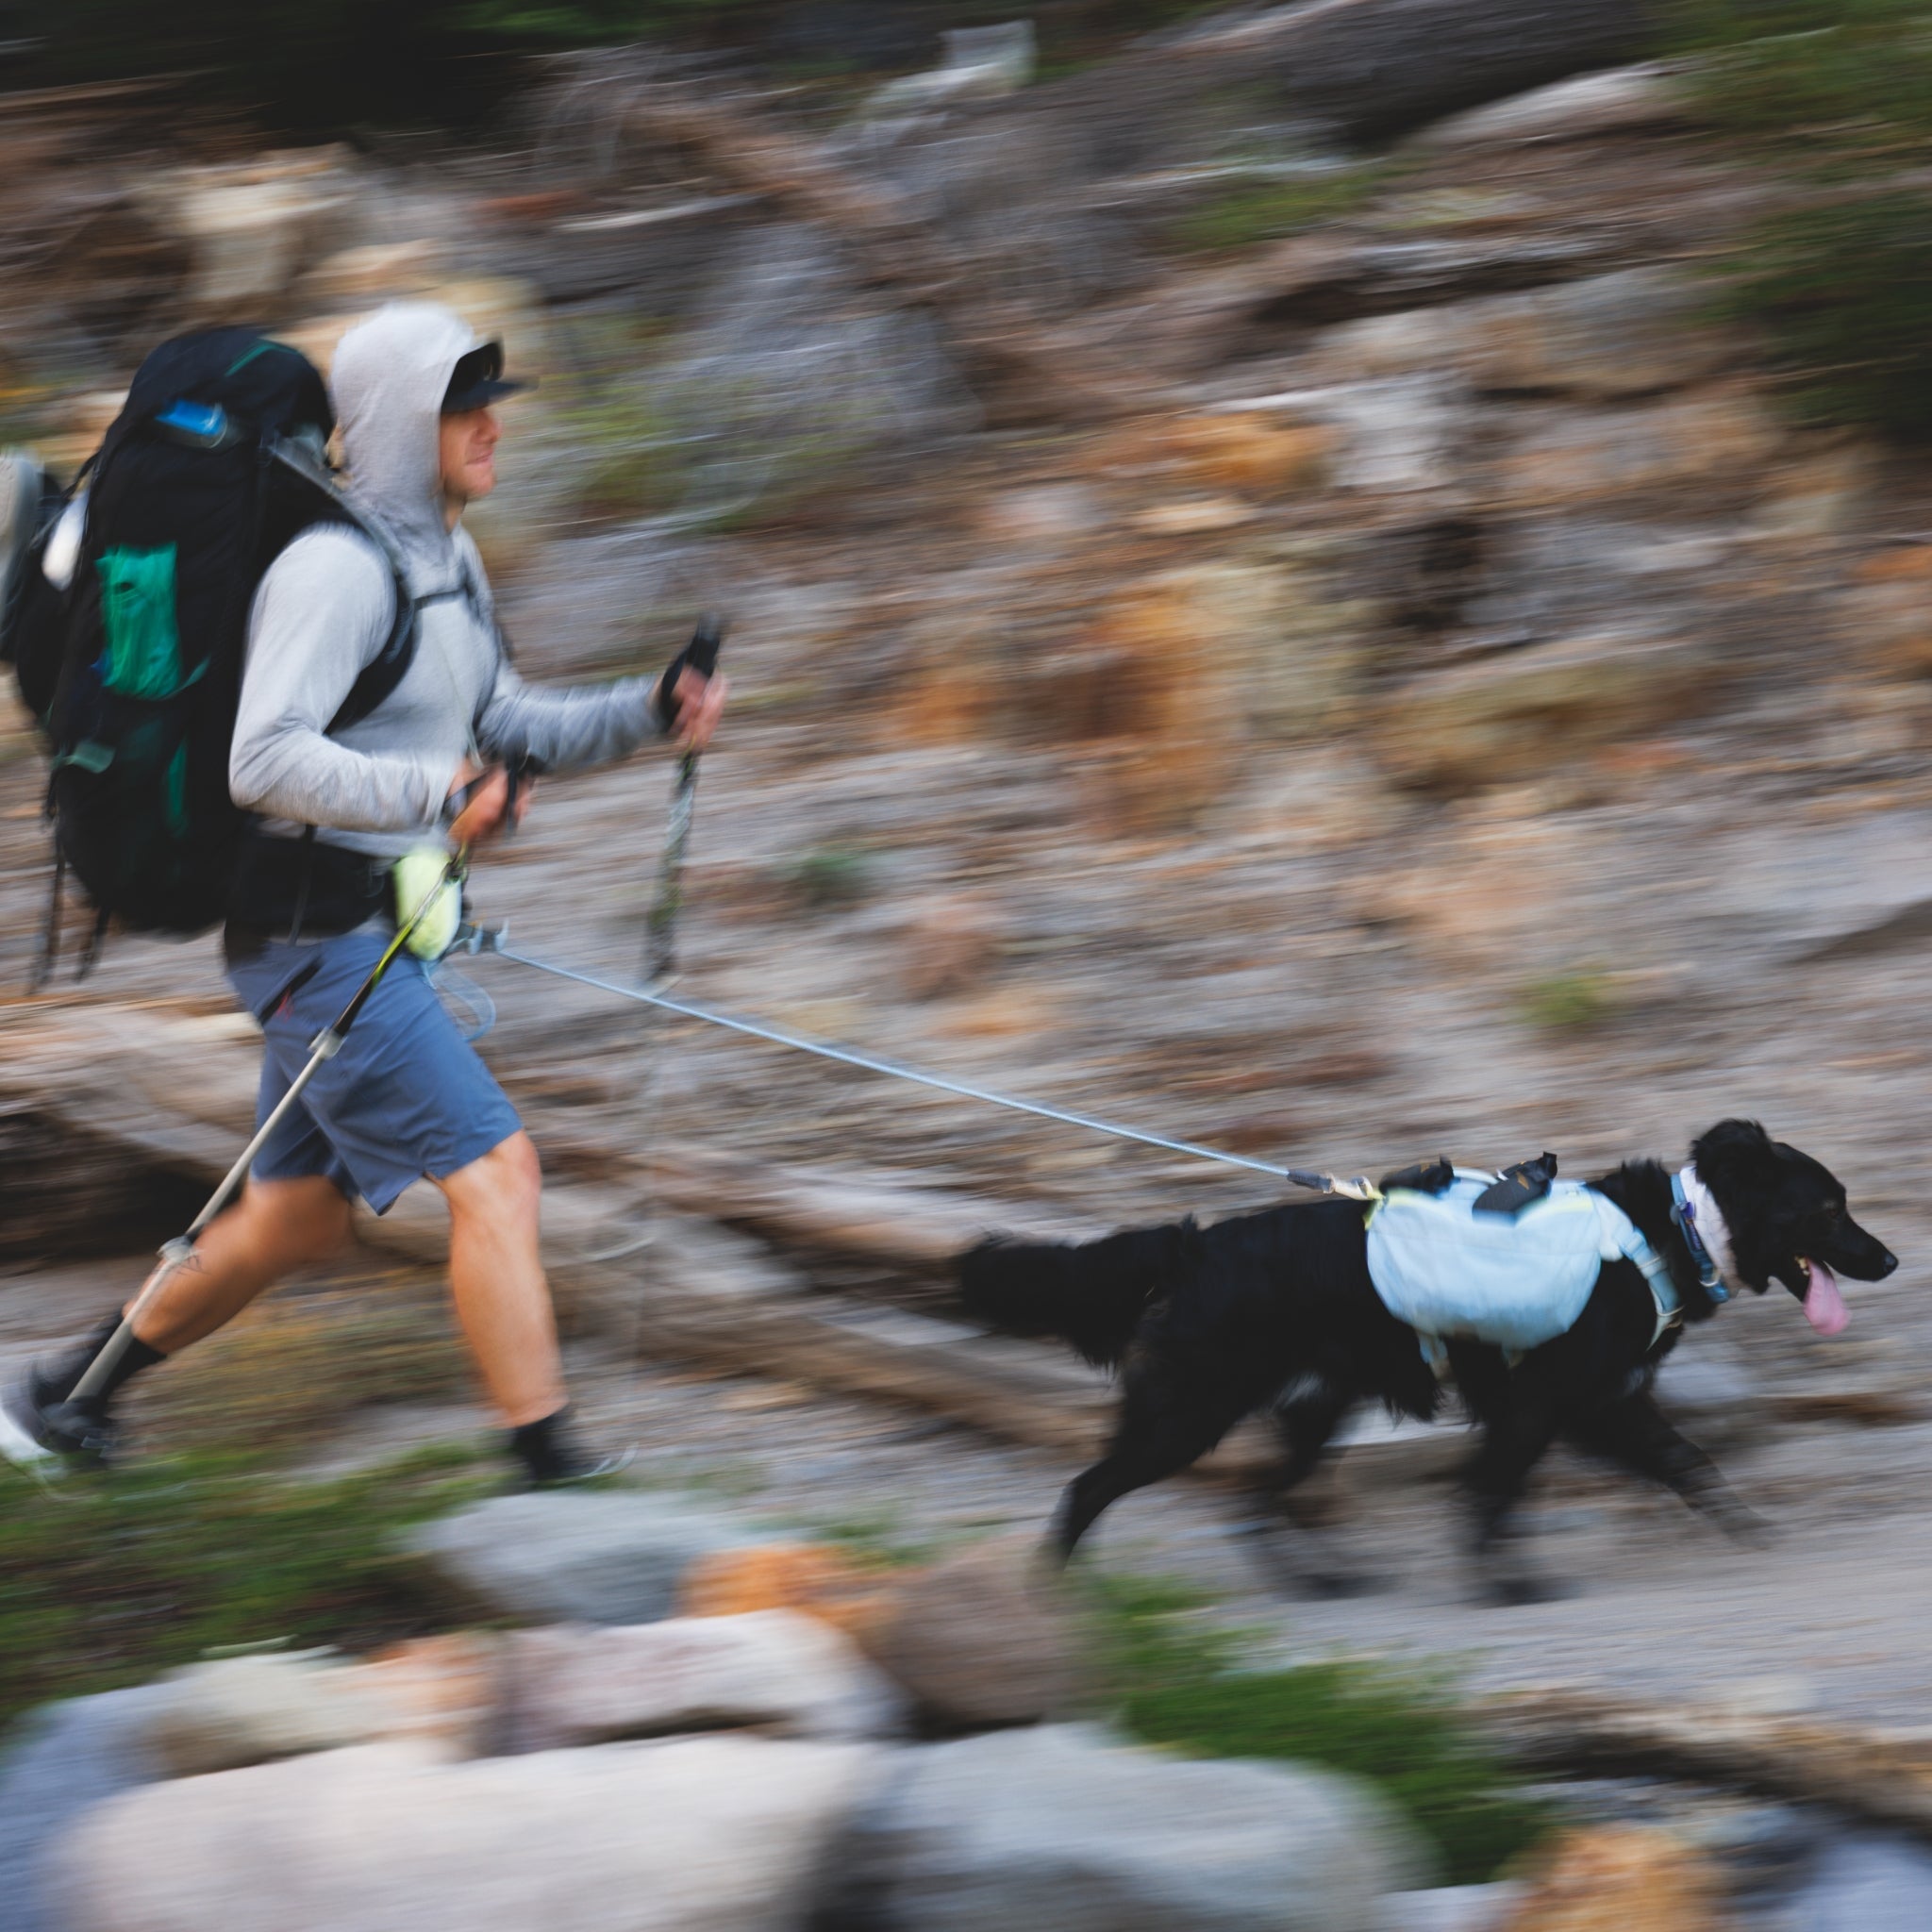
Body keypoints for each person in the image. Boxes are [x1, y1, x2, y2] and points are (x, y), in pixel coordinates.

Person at [0, 302, 726, 1485]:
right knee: (500, 1175)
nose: (493, 425)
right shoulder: (334, 571)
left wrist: (649, 711)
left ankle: (63, 1400)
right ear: (398, 423)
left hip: (362, 933)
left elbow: (499, 719)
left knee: (294, 1220)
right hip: (311, 937)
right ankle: (549, 1482)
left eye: (494, 402)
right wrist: (438, 795)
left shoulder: (448, 559)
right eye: (464, 406)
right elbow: (263, 760)